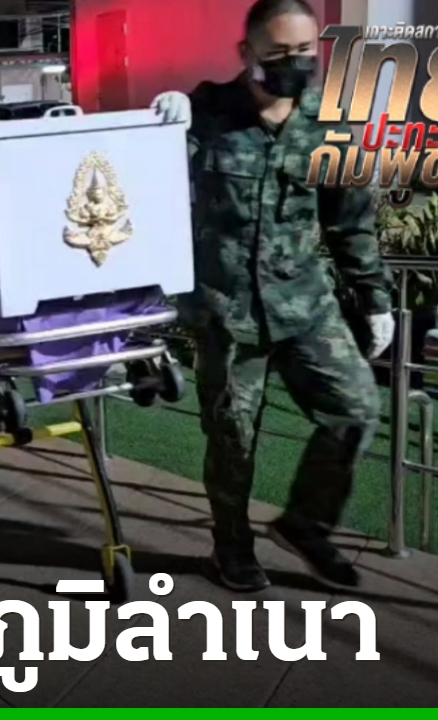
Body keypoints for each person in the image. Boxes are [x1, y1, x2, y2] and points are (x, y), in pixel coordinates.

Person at [151, 0, 393, 591]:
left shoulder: (330, 126)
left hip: (305, 305)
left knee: (357, 408)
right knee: (232, 438)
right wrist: (161, 128)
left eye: (304, 51)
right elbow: (150, 188)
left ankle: (306, 525)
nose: (294, 63)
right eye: (279, 53)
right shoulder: (206, 113)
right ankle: (231, 549)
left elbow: (350, 223)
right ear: (247, 53)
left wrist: (375, 298)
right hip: (227, 309)